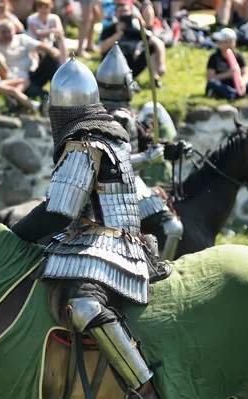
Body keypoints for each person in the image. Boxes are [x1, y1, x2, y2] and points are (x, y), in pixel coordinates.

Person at [10, 55, 166, 399]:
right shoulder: (107, 132)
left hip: (108, 245)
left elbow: (57, 212)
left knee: (84, 306)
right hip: (91, 239)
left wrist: (12, 235)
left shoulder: (86, 141)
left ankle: (143, 387)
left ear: (59, 110)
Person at [96, 42, 183, 260]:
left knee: (174, 226)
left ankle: (161, 268)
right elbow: (109, 162)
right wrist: (146, 159)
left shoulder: (126, 114)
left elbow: (145, 141)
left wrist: (174, 149)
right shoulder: (106, 119)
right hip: (111, 188)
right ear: (124, 84)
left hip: (136, 185)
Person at [99, 0, 166, 87]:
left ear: (131, 12)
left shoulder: (135, 29)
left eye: (126, 11)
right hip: (112, 69)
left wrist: (161, 65)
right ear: (115, 13)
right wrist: (118, 35)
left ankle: (154, 79)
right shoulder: (110, 30)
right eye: (121, 12)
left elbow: (158, 43)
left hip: (130, 69)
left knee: (151, 47)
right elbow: (101, 49)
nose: (124, 14)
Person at [0, 18, 61, 100]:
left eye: (9, 31)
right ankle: (44, 97)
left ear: (14, 31)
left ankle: (59, 89)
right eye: (4, 32)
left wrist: (52, 51)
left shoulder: (22, 39)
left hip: (31, 76)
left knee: (51, 58)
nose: (7, 35)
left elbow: (41, 46)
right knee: (37, 92)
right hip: (12, 80)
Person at [205, 27, 248, 100]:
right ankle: (239, 95)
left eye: (231, 42)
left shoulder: (238, 56)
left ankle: (233, 94)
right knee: (213, 83)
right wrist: (227, 74)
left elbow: (246, 74)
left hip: (236, 83)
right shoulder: (214, 57)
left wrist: (242, 83)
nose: (229, 45)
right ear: (220, 43)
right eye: (226, 42)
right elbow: (210, 77)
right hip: (222, 83)